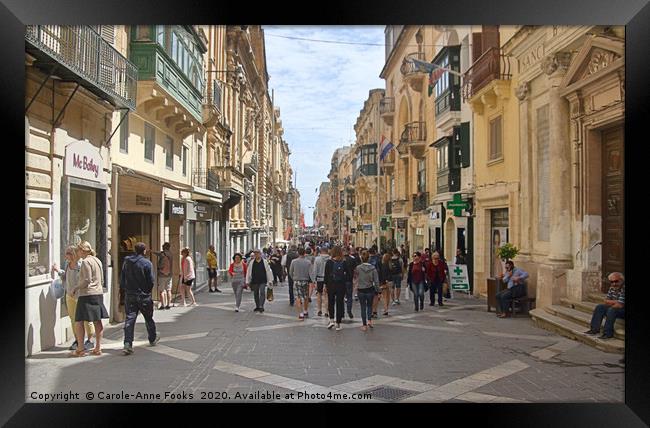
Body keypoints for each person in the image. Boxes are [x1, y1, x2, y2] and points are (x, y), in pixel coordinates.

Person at [51, 246, 95, 351]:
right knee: (73, 318)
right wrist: (58, 270)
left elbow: (86, 279)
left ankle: (90, 340)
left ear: (74, 254)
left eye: (68, 253)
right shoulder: (67, 264)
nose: (66, 255)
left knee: (86, 318)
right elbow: (65, 276)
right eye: (66, 253)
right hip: (69, 295)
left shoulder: (81, 264)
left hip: (81, 295)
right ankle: (77, 339)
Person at [121, 242, 160, 355]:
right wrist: (146, 291)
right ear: (144, 251)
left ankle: (127, 343)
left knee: (130, 319)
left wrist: (126, 290)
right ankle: (152, 338)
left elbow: (122, 278)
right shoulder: (147, 263)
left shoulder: (127, 262)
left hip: (130, 295)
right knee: (148, 318)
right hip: (143, 296)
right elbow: (151, 281)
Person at [71, 241, 108, 357]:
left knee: (79, 321)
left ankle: (80, 348)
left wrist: (75, 288)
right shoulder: (98, 260)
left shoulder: (86, 262)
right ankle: (98, 347)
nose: (77, 253)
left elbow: (86, 280)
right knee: (97, 320)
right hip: (98, 293)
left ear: (82, 250)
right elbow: (101, 278)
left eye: (78, 250)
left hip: (87, 294)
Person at [585, 272, 625, 339]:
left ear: (621, 280)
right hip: (617, 308)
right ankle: (594, 329)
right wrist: (615, 302)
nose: (614, 284)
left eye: (616, 281)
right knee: (600, 307)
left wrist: (613, 303)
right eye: (612, 282)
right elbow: (606, 302)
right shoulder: (612, 288)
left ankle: (608, 333)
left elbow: (620, 305)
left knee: (611, 310)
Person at [324, 246, 351, 331]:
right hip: (341, 285)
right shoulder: (344, 262)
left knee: (331, 302)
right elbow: (349, 275)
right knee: (340, 303)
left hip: (331, 285)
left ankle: (331, 320)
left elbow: (326, 275)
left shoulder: (329, 262)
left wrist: (325, 285)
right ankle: (338, 323)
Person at [354, 250, 379, 331]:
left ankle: (364, 325)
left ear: (361, 258)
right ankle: (369, 321)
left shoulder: (358, 268)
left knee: (363, 307)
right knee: (369, 306)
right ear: (369, 258)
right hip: (370, 289)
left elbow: (355, 278)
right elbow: (376, 281)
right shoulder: (373, 268)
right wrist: (378, 290)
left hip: (361, 289)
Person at [289, 248, 315, 320]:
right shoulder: (308, 262)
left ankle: (301, 314)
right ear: (304, 253)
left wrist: (293, 278)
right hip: (305, 281)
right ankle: (305, 311)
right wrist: (313, 281)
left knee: (298, 297)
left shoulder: (293, 262)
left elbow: (290, 272)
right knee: (306, 296)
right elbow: (311, 273)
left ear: (298, 253)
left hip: (297, 281)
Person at [154, 243, 173, 309]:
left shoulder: (162, 254)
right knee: (168, 290)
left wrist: (151, 251)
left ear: (163, 247)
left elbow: (157, 253)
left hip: (162, 274)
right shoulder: (171, 254)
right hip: (169, 274)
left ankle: (162, 305)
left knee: (161, 290)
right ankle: (168, 304)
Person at [313, 246, 330, 317]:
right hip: (328, 279)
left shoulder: (317, 259)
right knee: (327, 295)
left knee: (319, 294)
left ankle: (319, 310)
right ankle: (326, 311)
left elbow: (315, 270)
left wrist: (314, 280)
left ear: (321, 251)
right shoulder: (330, 259)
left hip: (319, 279)